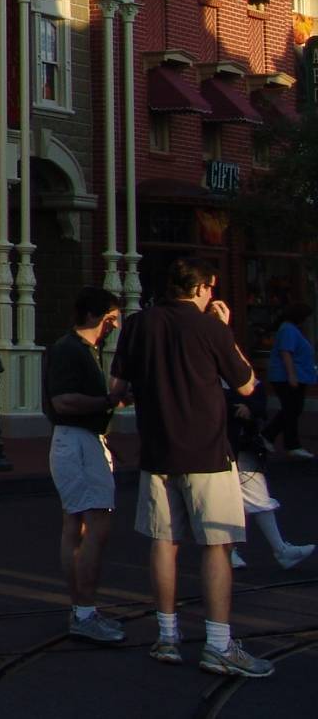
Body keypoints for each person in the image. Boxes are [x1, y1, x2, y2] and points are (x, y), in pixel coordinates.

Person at [110, 257, 272, 679]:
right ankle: (218, 644)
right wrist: (227, 330)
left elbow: (117, 387)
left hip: (157, 450)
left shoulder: (138, 324)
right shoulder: (210, 328)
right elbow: (246, 384)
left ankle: (167, 635)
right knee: (217, 545)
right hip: (207, 452)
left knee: (164, 540)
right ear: (202, 288)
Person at [42, 286, 128, 643]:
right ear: (94, 316)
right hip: (78, 441)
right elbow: (63, 402)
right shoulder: (70, 351)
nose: (114, 326)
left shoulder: (83, 351)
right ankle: (84, 610)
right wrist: (106, 401)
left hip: (79, 440)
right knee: (96, 522)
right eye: (110, 318)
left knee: (75, 523)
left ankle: (81, 608)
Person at [227, 392, 314, 571]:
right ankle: (227, 550)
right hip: (220, 445)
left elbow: (258, 398)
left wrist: (250, 408)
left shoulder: (240, 372)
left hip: (243, 443)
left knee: (257, 496)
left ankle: (280, 550)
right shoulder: (214, 373)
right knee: (226, 501)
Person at [263, 302, 314, 460]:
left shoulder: (290, 329)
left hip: (295, 375)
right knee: (291, 409)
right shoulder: (288, 330)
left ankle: (277, 439)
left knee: (292, 409)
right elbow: (286, 353)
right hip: (286, 377)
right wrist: (292, 375)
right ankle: (286, 442)